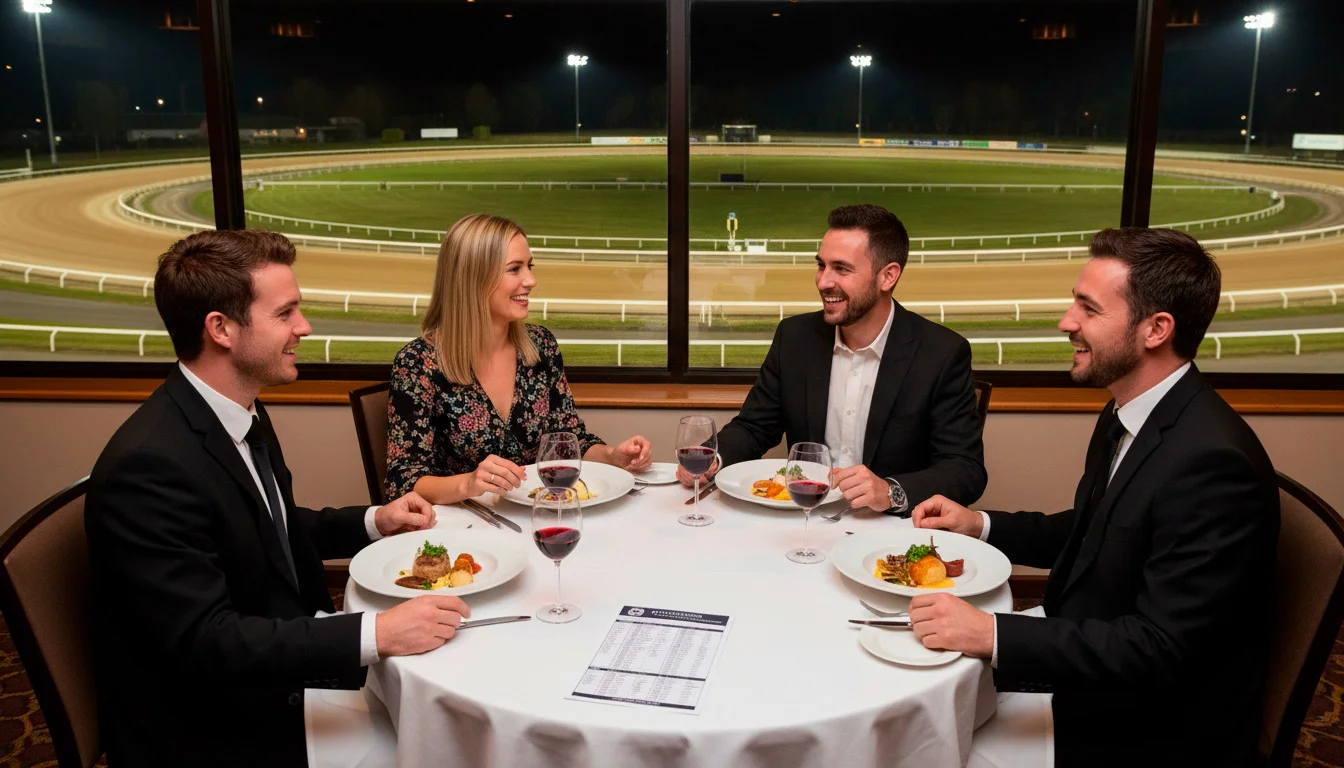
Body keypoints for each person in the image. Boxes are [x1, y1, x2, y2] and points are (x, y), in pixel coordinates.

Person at [85, 230, 471, 768]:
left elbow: (271, 532)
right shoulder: (149, 467)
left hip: (274, 676)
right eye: (285, 313)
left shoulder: (238, 410)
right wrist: (375, 633)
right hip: (220, 727)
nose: (303, 327)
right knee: (449, 748)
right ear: (220, 328)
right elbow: (205, 641)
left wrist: (374, 521)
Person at [909, 228, 1278, 768]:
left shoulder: (1213, 464)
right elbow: (1091, 531)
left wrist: (992, 634)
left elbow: (1159, 649)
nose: (1066, 322)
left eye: (1088, 308)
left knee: (923, 748)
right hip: (1097, 670)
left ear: (1156, 329)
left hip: (1144, 729)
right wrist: (979, 524)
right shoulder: (1129, 412)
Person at [678, 204, 986, 514]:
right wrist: (713, 459)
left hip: (890, 533)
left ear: (887, 277)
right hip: (803, 520)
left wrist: (890, 491)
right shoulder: (794, 338)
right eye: (821, 265)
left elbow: (964, 469)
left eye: (841, 269)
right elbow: (754, 428)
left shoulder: (942, 353)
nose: (823, 282)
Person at [385, 214, 651, 504]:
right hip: (464, 529)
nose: (531, 280)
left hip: (537, 516)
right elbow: (404, 480)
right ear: (473, 277)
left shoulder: (541, 347)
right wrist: (468, 484)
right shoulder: (417, 364)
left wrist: (612, 456)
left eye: (530, 266)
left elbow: (568, 441)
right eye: (514, 269)